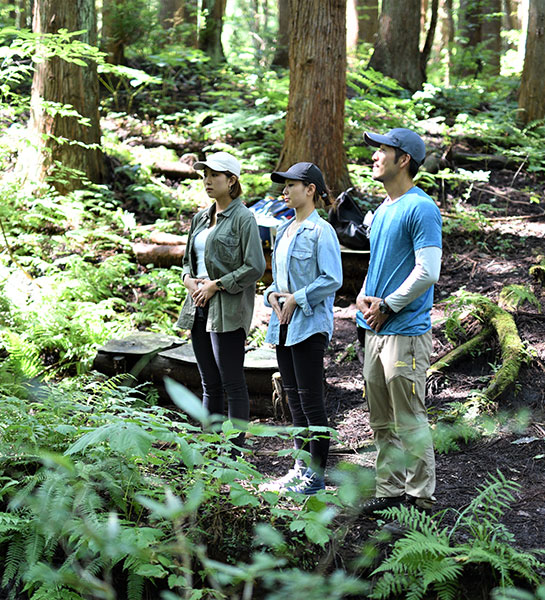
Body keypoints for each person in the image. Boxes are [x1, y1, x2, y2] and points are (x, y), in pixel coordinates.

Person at [355, 128, 442, 514]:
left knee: (408, 417)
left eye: (383, 151)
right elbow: (381, 265)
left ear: (403, 159)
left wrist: (388, 305)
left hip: (405, 331)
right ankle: (388, 492)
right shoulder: (384, 209)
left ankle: (420, 498)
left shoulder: (420, 208)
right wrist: (363, 293)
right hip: (375, 329)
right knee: (380, 420)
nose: (375, 156)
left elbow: (428, 271)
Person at [263, 163, 343, 494]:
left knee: (311, 401)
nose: (284, 191)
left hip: (309, 325)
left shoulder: (323, 232)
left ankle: (316, 476)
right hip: (282, 325)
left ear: (310, 189)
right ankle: (299, 468)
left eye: (290, 185)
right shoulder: (283, 230)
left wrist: (297, 298)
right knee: (293, 399)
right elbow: (275, 281)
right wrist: (272, 296)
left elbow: (333, 278)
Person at [176, 152, 266, 447]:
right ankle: (209, 447)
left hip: (227, 309)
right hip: (197, 305)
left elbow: (255, 266)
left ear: (232, 180)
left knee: (232, 381)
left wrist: (217, 285)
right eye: (205, 175)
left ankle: (235, 449)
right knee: (209, 382)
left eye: (215, 175)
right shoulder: (200, 218)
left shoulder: (244, 218)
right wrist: (189, 281)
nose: (207, 181)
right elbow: (188, 263)